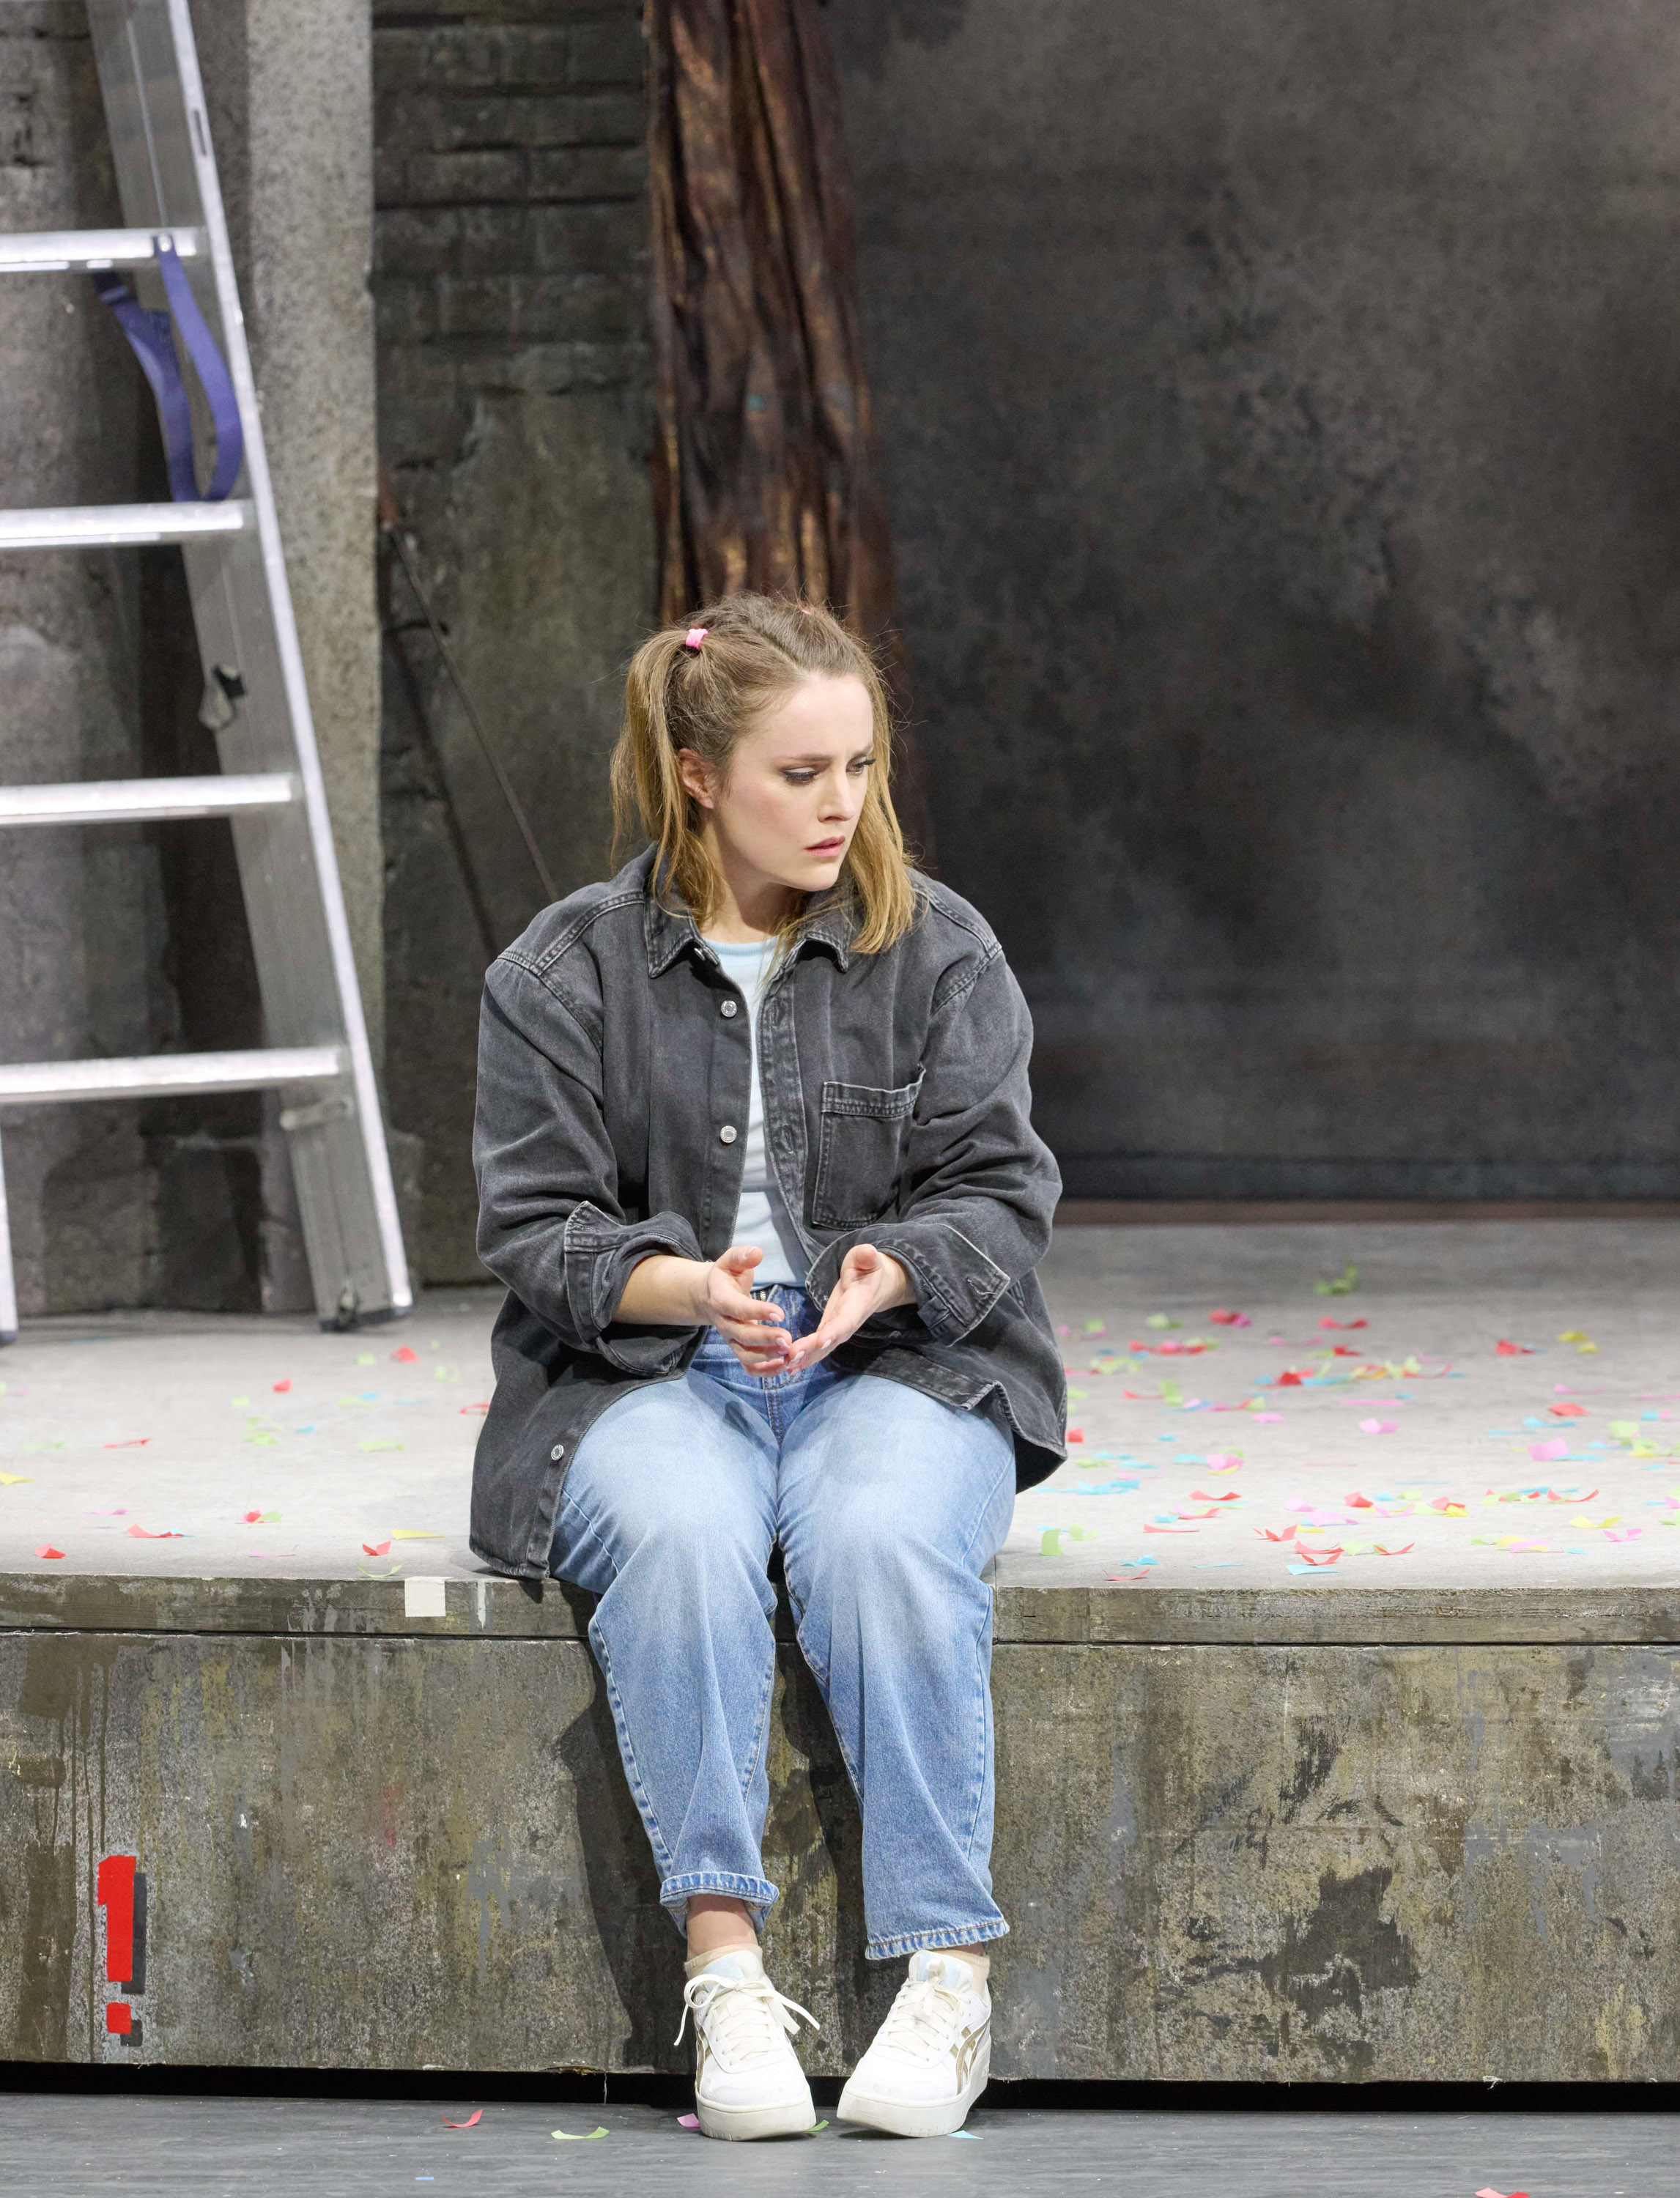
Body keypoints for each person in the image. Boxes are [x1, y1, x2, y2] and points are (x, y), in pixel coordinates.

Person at [470, 593, 1065, 2139]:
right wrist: (678, 1284)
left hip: (899, 1364)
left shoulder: (933, 948)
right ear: (694, 773)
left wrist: (890, 1271)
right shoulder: (563, 973)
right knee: (680, 1535)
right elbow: (531, 1226)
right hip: (646, 1372)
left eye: (859, 767)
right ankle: (727, 1977)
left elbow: (999, 1187)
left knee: (874, 1536)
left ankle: (946, 1976)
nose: (839, 806)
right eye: (799, 772)